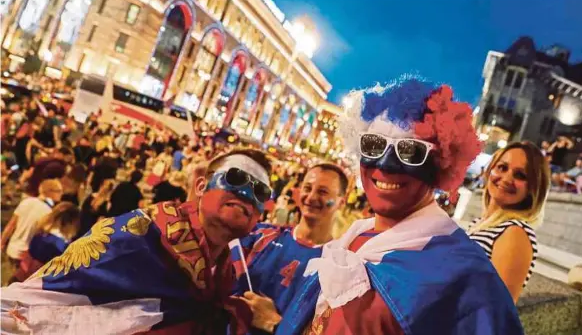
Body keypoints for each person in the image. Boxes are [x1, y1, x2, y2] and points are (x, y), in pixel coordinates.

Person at [276, 78, 523, 334]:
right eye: (373, 145)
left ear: (440, 163)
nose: (385, 164)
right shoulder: (357, 236)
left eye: (411, 152)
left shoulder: (465, 275)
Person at [1, 149, 272, 334]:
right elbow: (46, 298)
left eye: (261, 191)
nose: (247, 193)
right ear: (201, 187)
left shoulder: (226, 276)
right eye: (236, 178)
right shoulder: (138, 234)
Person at [232, 163, 348, 334]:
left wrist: (276, 323)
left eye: (323, 192)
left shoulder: (340, 268)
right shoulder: (260, 236)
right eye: (307, 188)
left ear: (341, 202)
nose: (311, 197)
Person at [468, 141, 550, 302]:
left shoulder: (514, 232)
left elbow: (496, 311)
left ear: (532, 189)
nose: (506, 178)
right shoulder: (479, 224)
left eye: (520, 175)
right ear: (490, 169)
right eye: (502, 167)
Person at [1, 179, 63, 267]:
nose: (61, 194)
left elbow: (11, 225)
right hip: (26, 256)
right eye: (59, 191)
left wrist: (2, 243)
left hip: (12, 249)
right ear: (49, 191)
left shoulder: (26, 201)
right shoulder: (48, 211)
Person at [13, 202, 81, 282]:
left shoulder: (40, 234)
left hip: (21, 276)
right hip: (36, 283)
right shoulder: (60, 246)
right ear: (72, 222)